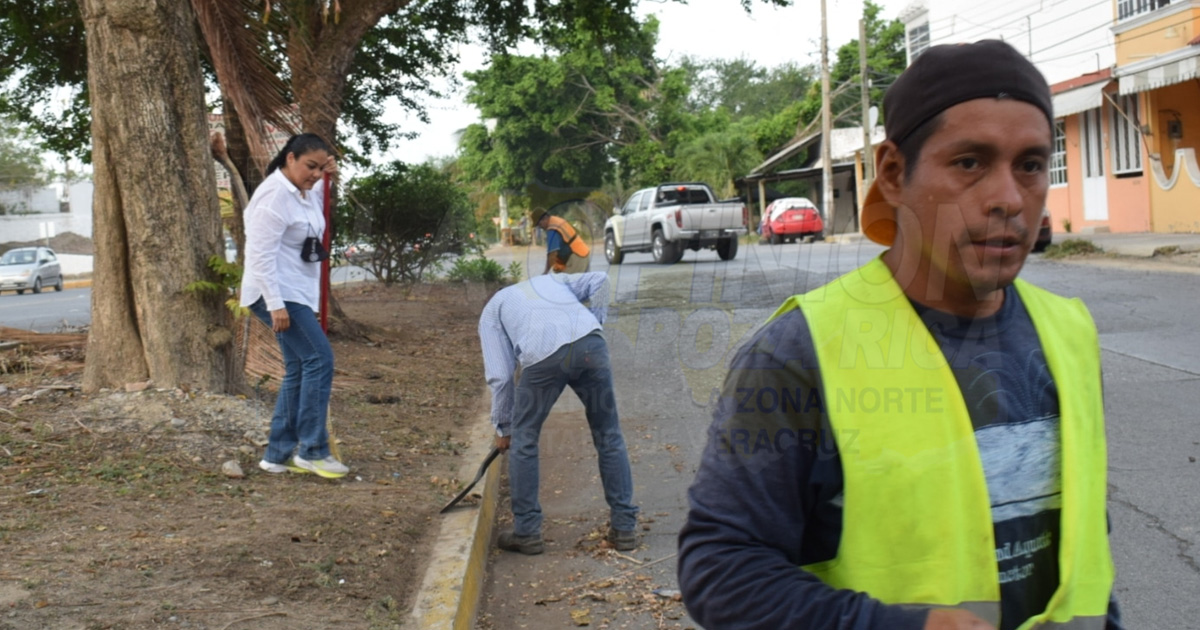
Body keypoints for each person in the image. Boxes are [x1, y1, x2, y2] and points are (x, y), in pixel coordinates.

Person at [677, 40, 1122, 630]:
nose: (1009, 199)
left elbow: (1085, 546)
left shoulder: (1069, 332)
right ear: (893, 174)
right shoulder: (800, 353)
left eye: (1031, 165)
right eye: (969, 163)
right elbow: (721, 570)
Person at [479, 272, 638, 555]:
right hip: (591, 344)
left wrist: (504, 428)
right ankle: (625, 528)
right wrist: (594, 325)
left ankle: (527, 532)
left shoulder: (493, 309)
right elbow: (601, 279)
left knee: (524, 440)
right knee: (609, 434)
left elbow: (501, 376)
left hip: (543, 358)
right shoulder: (553, 281)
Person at [239, 133, 349, 480]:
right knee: (319, 359)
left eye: (320, 167)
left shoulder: (302, 194)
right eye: (309, 166)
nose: (314, 174)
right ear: (289, 158)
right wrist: (275, 305)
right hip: (275, 293)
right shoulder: (273, 197)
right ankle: (314, 451)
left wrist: (328, 175)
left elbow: (313, 208)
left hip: (296, 294)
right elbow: (259, 256)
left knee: (300, 368)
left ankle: (276, 455)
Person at [531, 207, 590, 275]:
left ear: (544, 218)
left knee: (569, 283)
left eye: (539, 224)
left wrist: (546, 272)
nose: (540, 227)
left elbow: (552, 254)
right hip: (581, 253)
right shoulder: (556, 220)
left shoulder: (552, 229)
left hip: (576, 258)